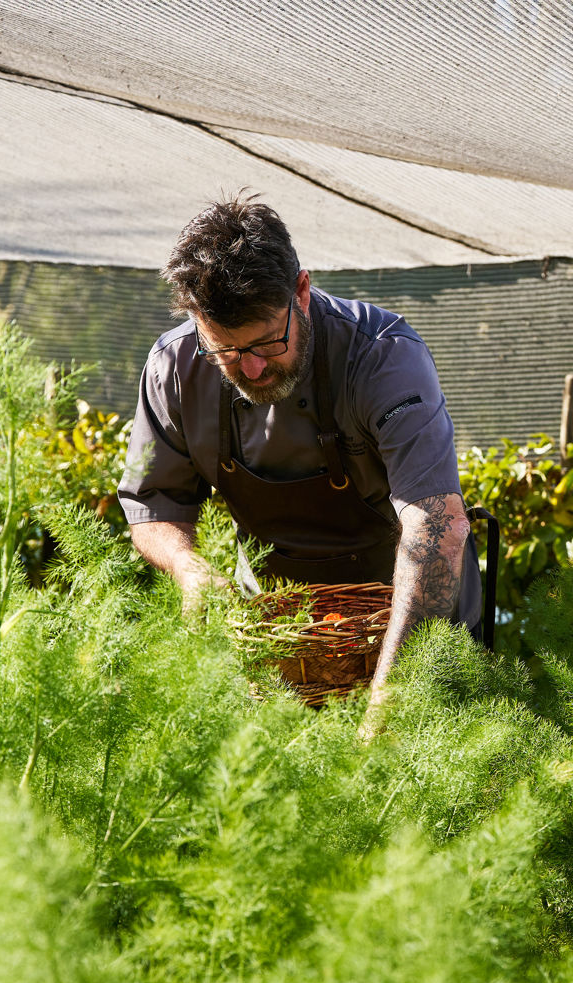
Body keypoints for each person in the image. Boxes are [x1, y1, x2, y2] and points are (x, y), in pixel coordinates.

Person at [118, 192, 481, 733]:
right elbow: (153, 506)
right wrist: (188, 567)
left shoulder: (382, 356)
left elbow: (436, 524)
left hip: (411, 628)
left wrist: (391, 697)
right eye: (226, 351)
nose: (252, 368)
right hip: (278, 640)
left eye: (268, 341)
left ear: (302, 292)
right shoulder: (173, 368)